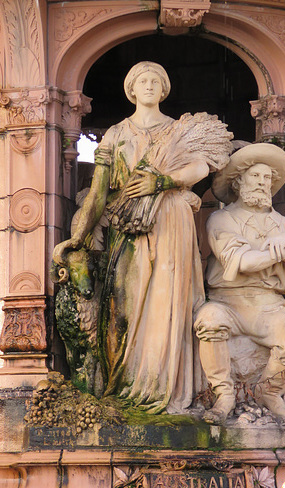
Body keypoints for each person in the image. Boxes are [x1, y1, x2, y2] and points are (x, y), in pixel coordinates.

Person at [53, 61, 232, 413]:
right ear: (131, 90)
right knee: (121, 306)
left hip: (170, 223)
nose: (149, 85)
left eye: (156, 81)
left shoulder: (178, 130)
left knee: (169, 302)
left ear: (163, 90)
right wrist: (78, 236)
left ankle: (166, 390)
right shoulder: (116, 135)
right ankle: (124, 389)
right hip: (127, 226)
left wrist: (163, 182)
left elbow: (201, 168)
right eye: (142, 81)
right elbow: (98, 195)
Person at [194, 143, 285, 422]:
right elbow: (244, 262)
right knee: (208, 320)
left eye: (267, 178)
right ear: (238, 181)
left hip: (268, 307)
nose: (262, 183)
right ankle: (224, 394)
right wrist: (280, 253)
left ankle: (268, 392)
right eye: (256, 176)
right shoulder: (221, 219)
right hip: (228, 302)